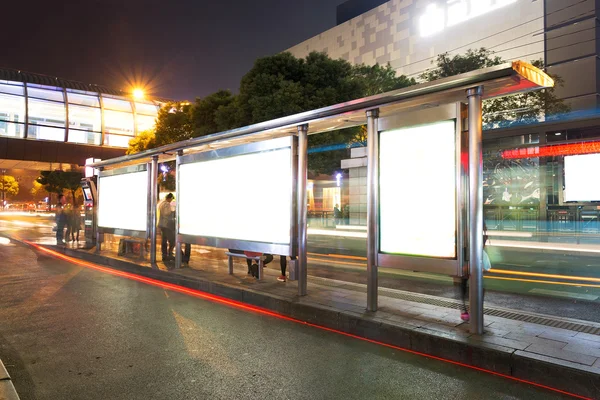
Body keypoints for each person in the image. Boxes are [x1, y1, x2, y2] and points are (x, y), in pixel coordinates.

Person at [459, 222, 489, 322]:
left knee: (468, 285)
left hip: (472, 257)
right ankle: (471, 310)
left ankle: (471, 310)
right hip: (472, 257)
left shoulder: (469, 227)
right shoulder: (481, 231)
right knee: (468, 285)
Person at [158, 193, 175, 261]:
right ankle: (169, 253)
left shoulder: (161, 203)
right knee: (172, 240)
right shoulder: (166, 204)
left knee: (164, 240)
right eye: (171, 199)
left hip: (161, 224)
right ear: (169, 198)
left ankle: (164, 255)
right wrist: (172, 211)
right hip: (166, 224)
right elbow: (166, 213)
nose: (171, 201)